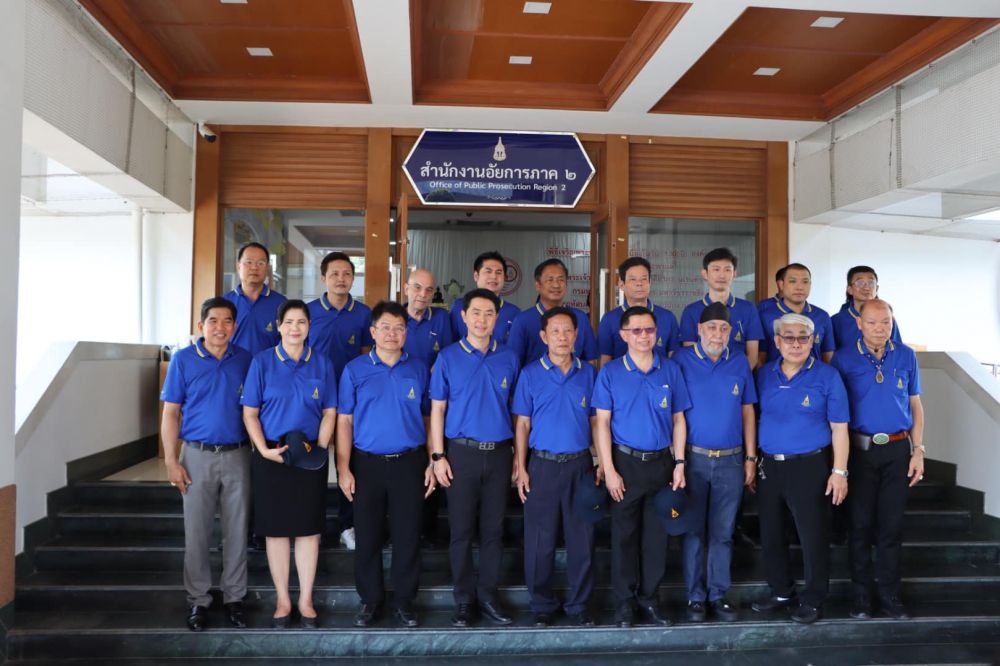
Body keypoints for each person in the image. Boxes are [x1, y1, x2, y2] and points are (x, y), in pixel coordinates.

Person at [336, 301, 434, 628]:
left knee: (408, 534)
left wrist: (432, 460)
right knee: (367, 535)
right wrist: (344, 468)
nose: (392, 334)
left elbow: (428, 417)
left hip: (410, 463)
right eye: (386, 327)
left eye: (399, 328)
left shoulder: (418, 369)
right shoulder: (355, 370)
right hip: (367, 465)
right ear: (373, 332)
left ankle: (404, 601)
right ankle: (371, 600)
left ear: (406, 333)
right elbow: (344, 421)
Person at [592, 306, 690, 628]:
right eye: (636, 330)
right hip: (625, 464)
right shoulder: (610, 372)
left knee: (656, 539)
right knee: (624, 536)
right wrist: (608, 468)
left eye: (649, 330)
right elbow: (602, 423)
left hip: (661, 464)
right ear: (624, 335)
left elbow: (679, 419)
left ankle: (650, 599)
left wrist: (679, 463)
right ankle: (624, 603)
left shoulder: (670, 369)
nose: (644, 336)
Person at [242, 299, 338, 628]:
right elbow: (250, 414)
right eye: (289, 322)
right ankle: (283, 599)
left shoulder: (322, 363)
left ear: (310, 327)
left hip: (309, 456)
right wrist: (262, 450)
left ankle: (306, 600)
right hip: (272, 456)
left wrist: (320, 449)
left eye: (302, 322)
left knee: (309, 531)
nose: (295, 328)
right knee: (276, 532)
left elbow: (330, 411)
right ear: (279, 327)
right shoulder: (262, 362)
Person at [429, 289, 521, 628]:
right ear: (464, 317)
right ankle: (464, 601)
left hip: (499, 454)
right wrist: (437, 455)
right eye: (476, 313)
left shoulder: (509, 358)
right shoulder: (448, 357)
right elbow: (437, 410)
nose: (482, 320)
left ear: (497, 319)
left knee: (493, 530)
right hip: (460, 454)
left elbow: (518, 413)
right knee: (461, 531)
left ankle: (488, 596)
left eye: (489, 314)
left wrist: (518, 456)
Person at [160, 297, 254, 632]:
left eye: (227, 321)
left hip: (238, 454)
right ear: (201, 325)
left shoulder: (245, 360)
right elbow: (171, 413)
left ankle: (234, 597)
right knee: (197, 532)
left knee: (237, 531)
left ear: (235, 326)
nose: (220, 327)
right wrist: (171, 461)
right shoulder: (184, 360)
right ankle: (198, 600)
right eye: (213, 321)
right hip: (196, 456)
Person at [751, 313, 850, 625]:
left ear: (812, 341)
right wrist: (752, 460)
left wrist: (839, 472)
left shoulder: (828, 376)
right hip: (770, 466)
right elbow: (752, 418)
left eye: (803, 337)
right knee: (771, 533)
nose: (796, 343)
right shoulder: (764, 375)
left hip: (810, 466)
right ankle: (781, 591)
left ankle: (814, 598)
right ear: (777, 342)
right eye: (789, 337)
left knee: (813, 536)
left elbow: (839, 428)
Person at [831, 298, 925, 621]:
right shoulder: (843, 358)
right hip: (860, 452)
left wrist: (918, 449)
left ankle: (889, 595)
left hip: (898, 450)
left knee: (891, 526)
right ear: (859, 324)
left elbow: (915, 405)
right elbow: (836, 416)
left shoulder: (906, 355)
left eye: (885, 322)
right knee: (859, 526)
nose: (879, 328)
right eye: (872, 322)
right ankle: (861, 596)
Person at [512, 306, 597, 627]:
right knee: (539, 541)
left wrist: (601, 462)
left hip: (581, 465)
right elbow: (522, 424)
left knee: (582, 539)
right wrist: (521, 466)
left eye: (568, 331)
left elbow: (597, 421)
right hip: (542, 466)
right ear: (544, 336)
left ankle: (579, 605)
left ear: (577, 336)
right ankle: (542, 605)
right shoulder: (530, 374)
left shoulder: (588, 374)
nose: (562, 337)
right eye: (555, 331)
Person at [673, 302, 757, 623]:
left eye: (724, 329)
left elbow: (747, 411)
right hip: (693, 459)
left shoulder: (739, 361)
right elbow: (675, 416)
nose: (717, 335)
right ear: (698, 329)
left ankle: (718, 594)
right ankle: (695, 597)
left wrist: (750, 457)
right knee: (694, 532)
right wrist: (678, 460)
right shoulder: (680, 361)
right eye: (711, 328)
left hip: (731, 460)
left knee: (722, 532)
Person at [307, 251, 373, 552]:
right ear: (323, 278)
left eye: (347, 273)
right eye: (334, 273)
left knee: (350, 463)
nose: (341, 279)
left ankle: (348, 525)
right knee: (314, 462)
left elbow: (366, 357)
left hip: (350, 401)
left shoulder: (363, 314)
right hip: (315, 401)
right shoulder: (308, 312)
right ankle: (312, 524)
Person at [679, 248, 764, 369]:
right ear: (705, 274)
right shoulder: (691, 311)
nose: (722, 275)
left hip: (737, 377)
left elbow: (753, 357)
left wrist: (738, 377)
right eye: (716, 269)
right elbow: (689, 356)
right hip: (702, 377)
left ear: (734, 274)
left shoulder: (748, 309)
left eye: (727, 270)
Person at [508, 258, 598, 366]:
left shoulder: (580, 318)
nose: (556, 285)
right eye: (550, 280)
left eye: (561, 280)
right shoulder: (522, 321)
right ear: (538, 285)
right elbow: (513, 363)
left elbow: (590, 360)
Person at [598, 256, 680, 365]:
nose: (639, 284)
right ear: (621, 284)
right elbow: (605, 360)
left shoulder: (668, 318)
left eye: (644, 279)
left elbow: (673, 358)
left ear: (650, 282)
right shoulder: (609, 319)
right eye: (633, 279)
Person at [758, 263, 835, 365]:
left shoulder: (822, 316)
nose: (799, 287)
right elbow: (761, 358)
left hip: (815, 374)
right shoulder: (764, 316)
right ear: (781, 285)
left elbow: (828, 356)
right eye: (792, 281)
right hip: (776, 374)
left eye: (805, 282)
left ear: (810, 285)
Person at [225, 241, 287, 355]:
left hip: (269, 365)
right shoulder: (224, 303)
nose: (254, 267)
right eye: (249, 262)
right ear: (238, 266)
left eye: (260, 263)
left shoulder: (281, 303)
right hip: (233, 365)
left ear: (267, 268)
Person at [450, 250, 521, 345]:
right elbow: (450, 343)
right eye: (488, 271)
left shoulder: (514, 313)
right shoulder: (459, 306)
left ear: (505, 278)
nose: (494, 276)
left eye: (498, 272)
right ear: (476, 276)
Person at [831, 265, 903, 349]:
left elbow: (897, 350)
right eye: (860, 283)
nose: (866, 287)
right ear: (850, 289)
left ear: (876, 289)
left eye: (871, 283)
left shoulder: (887, 318)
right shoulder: (836, 321)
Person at [403, 267, 453, 368]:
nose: (423, 294)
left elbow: (447, 355)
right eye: (417, 287)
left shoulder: (441, 317)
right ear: (406, 289)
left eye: (429, 290)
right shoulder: (394, 318)